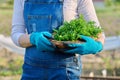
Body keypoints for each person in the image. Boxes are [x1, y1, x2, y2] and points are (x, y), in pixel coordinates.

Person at [11, 0, 105, 80]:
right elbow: (16, 33)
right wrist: (33, 38)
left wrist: (96, 45)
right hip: (31, 70)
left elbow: (98, 33)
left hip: (65, 71)